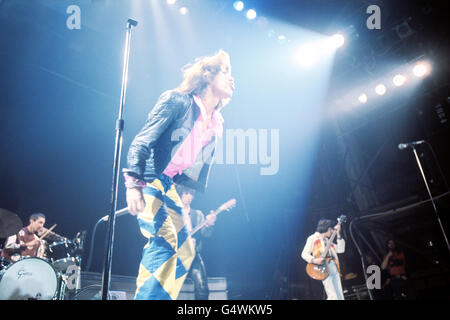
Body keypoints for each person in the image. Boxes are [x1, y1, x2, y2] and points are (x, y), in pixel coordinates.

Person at [124, 49, 235, 300]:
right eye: (226, 71)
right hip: (150, 180)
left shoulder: (214, 121)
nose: (232, 79)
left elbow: (191, 164)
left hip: (168, 186)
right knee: (164, 241)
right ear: (207, 75)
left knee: (185, 251)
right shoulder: (177, 100)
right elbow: (142, 141)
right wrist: (133, 183)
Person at [178, 186, 216, 300]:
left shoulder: (198, 214)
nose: (189, 196)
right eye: (186, 193)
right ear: (180, 193)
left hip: (193, 255)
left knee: (202, 287)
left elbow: (206, 234)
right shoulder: (172, 213)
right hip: (176, 256)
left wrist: (209, 224)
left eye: (192, 194)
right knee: (166, 287)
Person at [301, 219, 345, 300]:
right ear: (328, 229)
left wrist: (338, 234)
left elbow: (341, 249)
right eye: (332, 230)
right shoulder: (313, 238)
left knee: (340, 295)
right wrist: (314, 260)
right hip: (324, 268)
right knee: (333, 296)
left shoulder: (328, 241)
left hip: (334, 266)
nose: (332, 232)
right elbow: (304, 254)